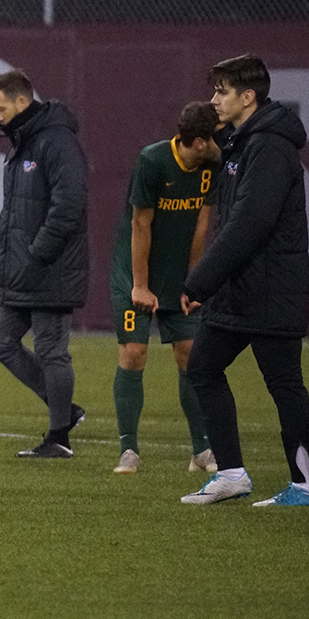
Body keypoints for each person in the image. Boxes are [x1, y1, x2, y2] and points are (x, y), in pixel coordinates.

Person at [179, 55, 309, 507]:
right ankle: (232, 474)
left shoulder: (270, 147)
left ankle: (306, 487)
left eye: (222, 91)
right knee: (202, 368)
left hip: (269, 290)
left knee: (285, 385)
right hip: (241, 290)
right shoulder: (243, 143)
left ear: (249, 97)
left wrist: (199, 281)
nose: (214, 98)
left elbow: (250, 224)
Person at [108, 102, 224, 475]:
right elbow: (141, 224)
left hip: (179, 277)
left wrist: (195, 281)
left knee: (190, 354)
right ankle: (129, 450)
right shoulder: (152, 161)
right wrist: (140, 285)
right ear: (202, 142)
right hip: (134, 273)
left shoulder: (211, 166)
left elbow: (202, 224)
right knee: (134, 353)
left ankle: (201, 451)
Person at [0, 68, 90, 459]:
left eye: (0, 109)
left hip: (52, 268)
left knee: (51, 351)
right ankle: (66, 409)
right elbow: (11, 214)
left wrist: (37, 254)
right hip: (22, 271)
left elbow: (70, 204)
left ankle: (59, 437)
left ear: (22, 102)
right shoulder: (21, 143)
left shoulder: (57, 141)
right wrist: (1, 265)